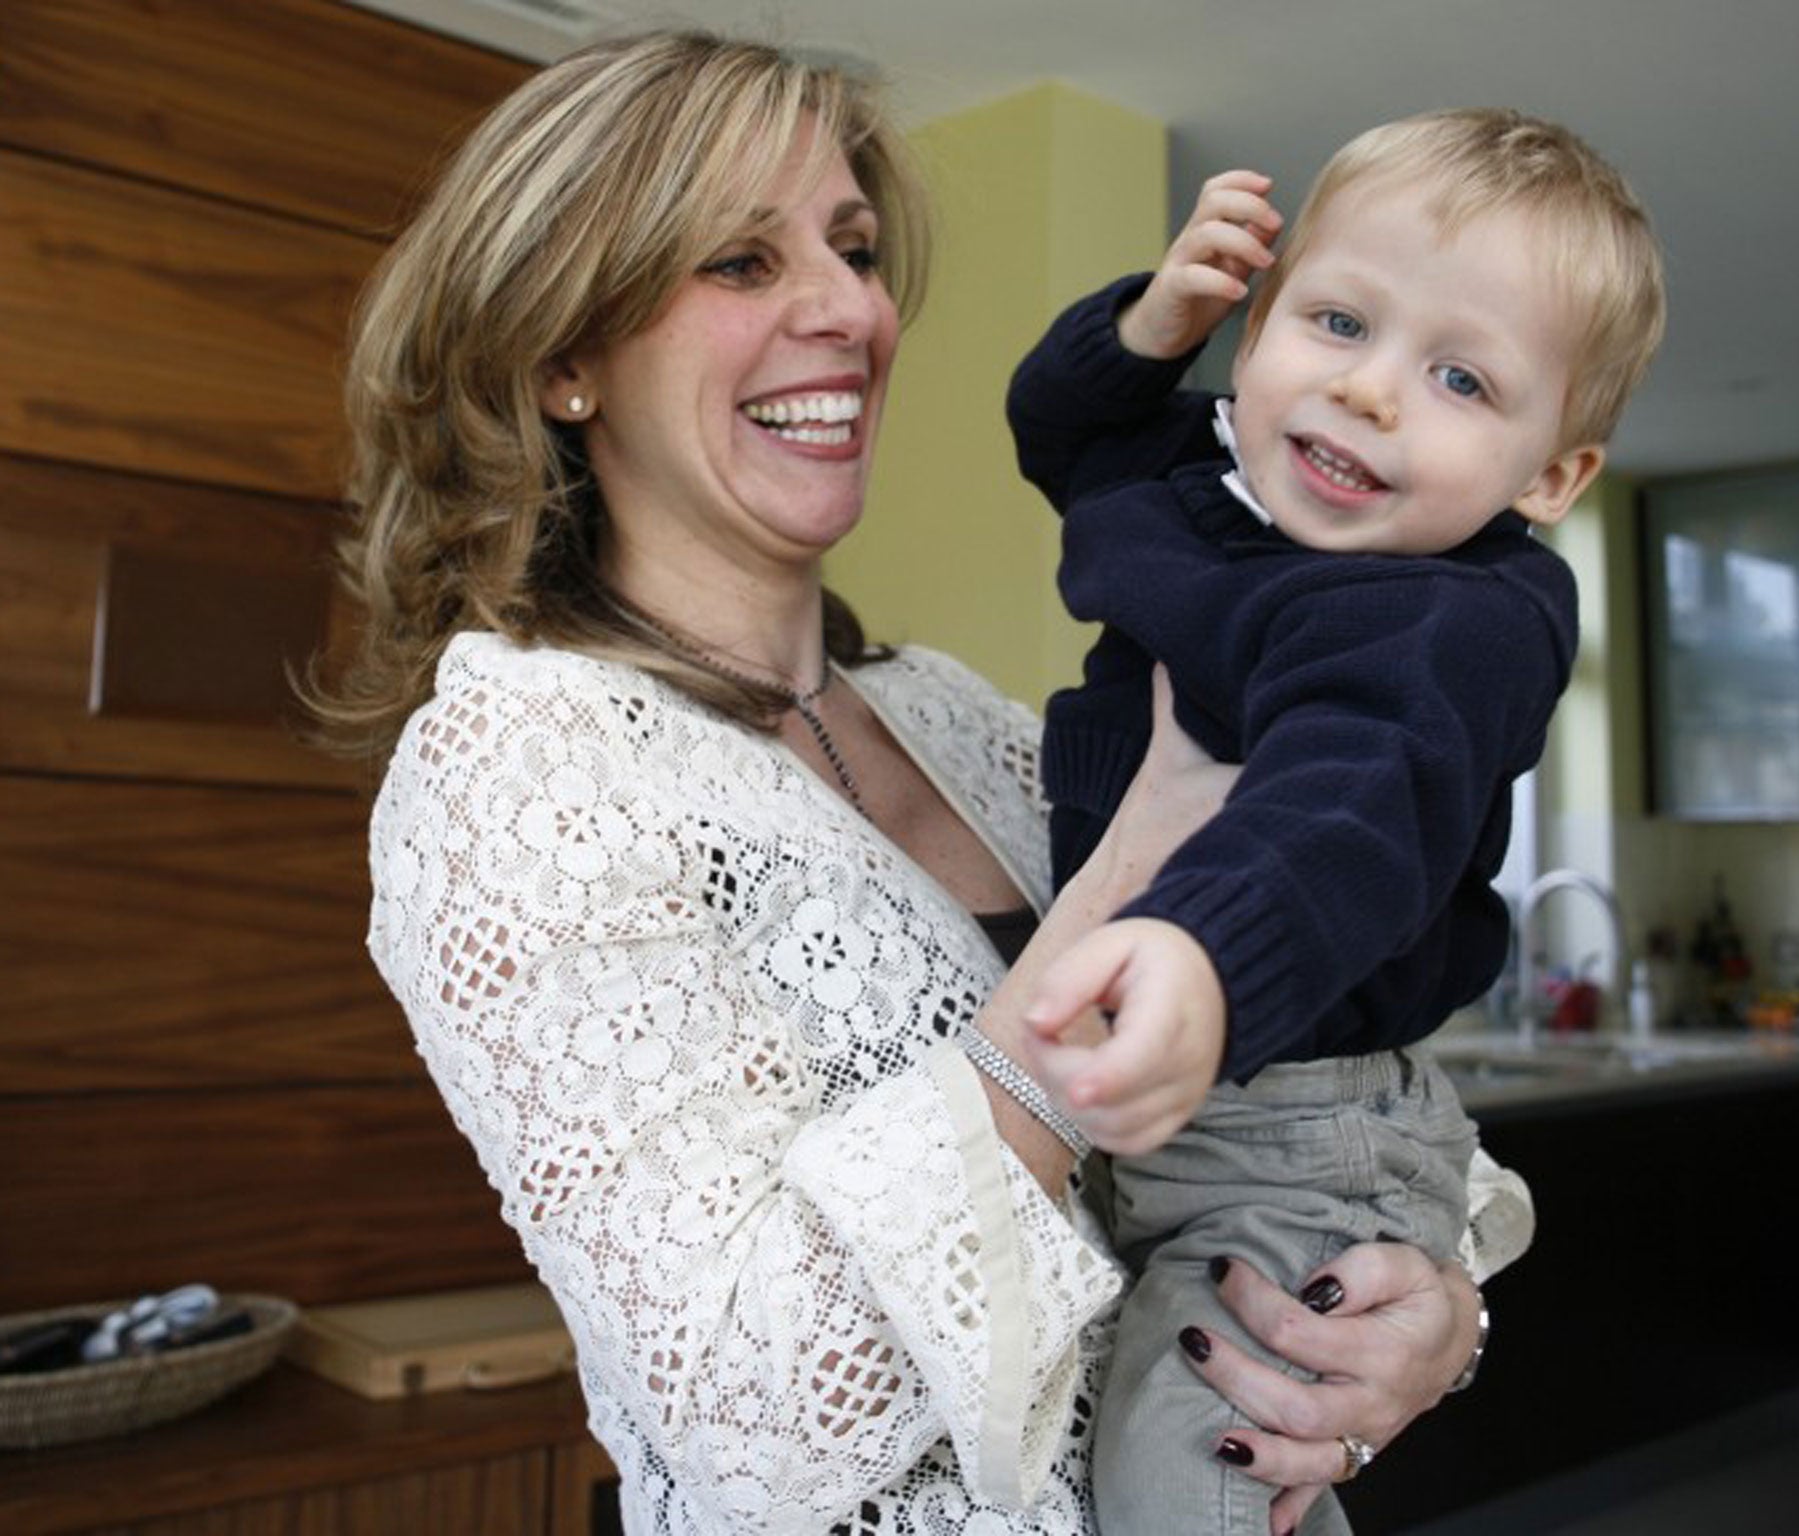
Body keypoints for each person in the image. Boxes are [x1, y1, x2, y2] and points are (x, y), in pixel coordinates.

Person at [310, 32, 1515, 1536]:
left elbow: (1302, 1103)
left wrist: (1419, 1318)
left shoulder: (963, 719)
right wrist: (1110, 911)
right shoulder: (518, 765)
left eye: (855, 247)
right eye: (739, 263)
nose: (849, 311)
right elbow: (753, 1415)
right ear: (564, 359)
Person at [1006, 112, 1665, 1535]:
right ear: (1260, 327)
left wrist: (1197, 948)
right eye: (1338, 319)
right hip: (1157, 1116)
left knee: (1191, 1488)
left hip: (1292, 1138)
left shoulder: (1451, 621)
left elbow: (1346, 810)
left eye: (1459, 376)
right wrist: (1150, 322)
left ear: (1551, 478)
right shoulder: (1207, 492)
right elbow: (1062, 432)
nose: (1368, 393)